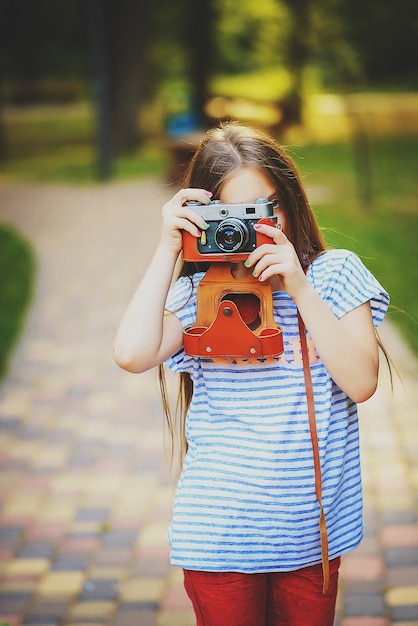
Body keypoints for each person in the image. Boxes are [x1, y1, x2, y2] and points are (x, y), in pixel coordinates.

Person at [113, 121, 389, 626]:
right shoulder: (199, 294)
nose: (260, 226)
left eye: (268, 207)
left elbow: (362, 382)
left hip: (310, 537)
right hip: (218, 535)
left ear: (292, 201)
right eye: (232, 213)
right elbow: (131, 353)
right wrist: (166, 249)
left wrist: (300, 288)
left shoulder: (334, 275)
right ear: (203, 217)